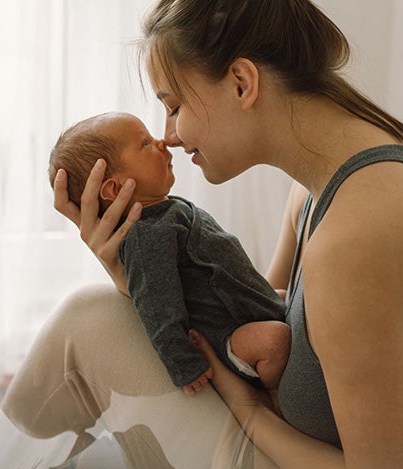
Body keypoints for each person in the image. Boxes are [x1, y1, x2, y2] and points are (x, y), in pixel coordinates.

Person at [6, 0, 403, 469]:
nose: (172, 136)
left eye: (174, 105)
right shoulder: (362, 165)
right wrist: (130, 268)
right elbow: (254, 314)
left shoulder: (355, 241)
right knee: (105, 317)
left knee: (86, 322)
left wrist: (249, 416)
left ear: (242, 83)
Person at [48, 111, 290, 393]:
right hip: (226, 335)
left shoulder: (167, 210)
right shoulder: (146, 234)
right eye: (145, 144)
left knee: (285, 298)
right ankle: (275, 399)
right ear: (114, 188)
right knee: (275, 340)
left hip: (248, 309)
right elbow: (157, 306)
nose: (162, 141)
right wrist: (185, 364)